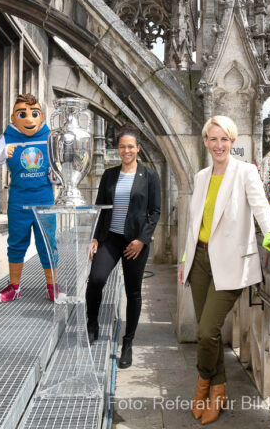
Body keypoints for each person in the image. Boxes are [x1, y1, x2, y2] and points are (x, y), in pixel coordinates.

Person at [177, 116, 270, 424]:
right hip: (200, 262)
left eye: (224, 139)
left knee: (206, 331)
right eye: (213, 139)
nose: (218, 145)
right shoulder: (201, 177)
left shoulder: (245, 172)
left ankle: (202, 388)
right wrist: (186, 259)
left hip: (231, 263)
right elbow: (195, 223)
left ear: (232, 142)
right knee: (208, 334)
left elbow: (261, 208)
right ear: (205, 142)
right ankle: (219, 389)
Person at [86, 125, 161, 369]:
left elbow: (155, 212)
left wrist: (142, 240)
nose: (126, 150)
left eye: (131, 146)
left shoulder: (149, 176)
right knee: (96, 279)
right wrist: (95, 238)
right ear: (117, 149)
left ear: (138, 148)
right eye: (122, 147)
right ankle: (92, 323)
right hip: (111, 239)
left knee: (133, 292)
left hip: (135, 242)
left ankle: (127, 343)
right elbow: (100, 208)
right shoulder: (109, 175)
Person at [0, 93, 61, 303]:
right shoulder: (7, 137)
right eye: (22, 114)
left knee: (47, 243)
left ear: (41, 116)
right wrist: (3, 153)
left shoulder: (51, 137)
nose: (29, 120)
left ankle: (52, 286)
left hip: (44, 200)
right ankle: (14, 287)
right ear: (13, 118)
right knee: (16, 243)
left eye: (34, 114)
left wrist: (56, 176)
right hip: (18, 201)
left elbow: (61, 166)